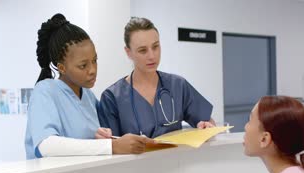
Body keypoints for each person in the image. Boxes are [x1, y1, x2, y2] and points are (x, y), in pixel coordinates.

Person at [25, 14, 153, 159]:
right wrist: (112, 146)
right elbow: (46, 146)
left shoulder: (88, 96)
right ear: (62, 68)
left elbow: (98, 138)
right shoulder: (44, 91)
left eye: (94, 60)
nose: (92, 70)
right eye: (83, 65)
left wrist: (109, 137)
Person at [98, 17, 215, 138]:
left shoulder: (178, 85)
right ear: (128, 52)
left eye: (155, 47)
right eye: (143, 50)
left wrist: (206, 126)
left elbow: (208, 122)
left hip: (177, 157)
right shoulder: (112, 97)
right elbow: (112, 145)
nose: (152, 56)